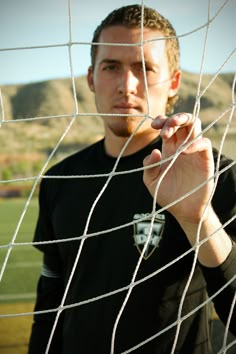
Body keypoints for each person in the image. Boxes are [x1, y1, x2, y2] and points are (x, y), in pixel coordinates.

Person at [28, 4, 236, 354]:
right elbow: (50, 305)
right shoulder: (60, 179)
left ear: (173, 82)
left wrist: (197, 219)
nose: (127, 85)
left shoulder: (215, 175)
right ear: (92, 77)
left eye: (145, 68)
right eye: (112, 67)